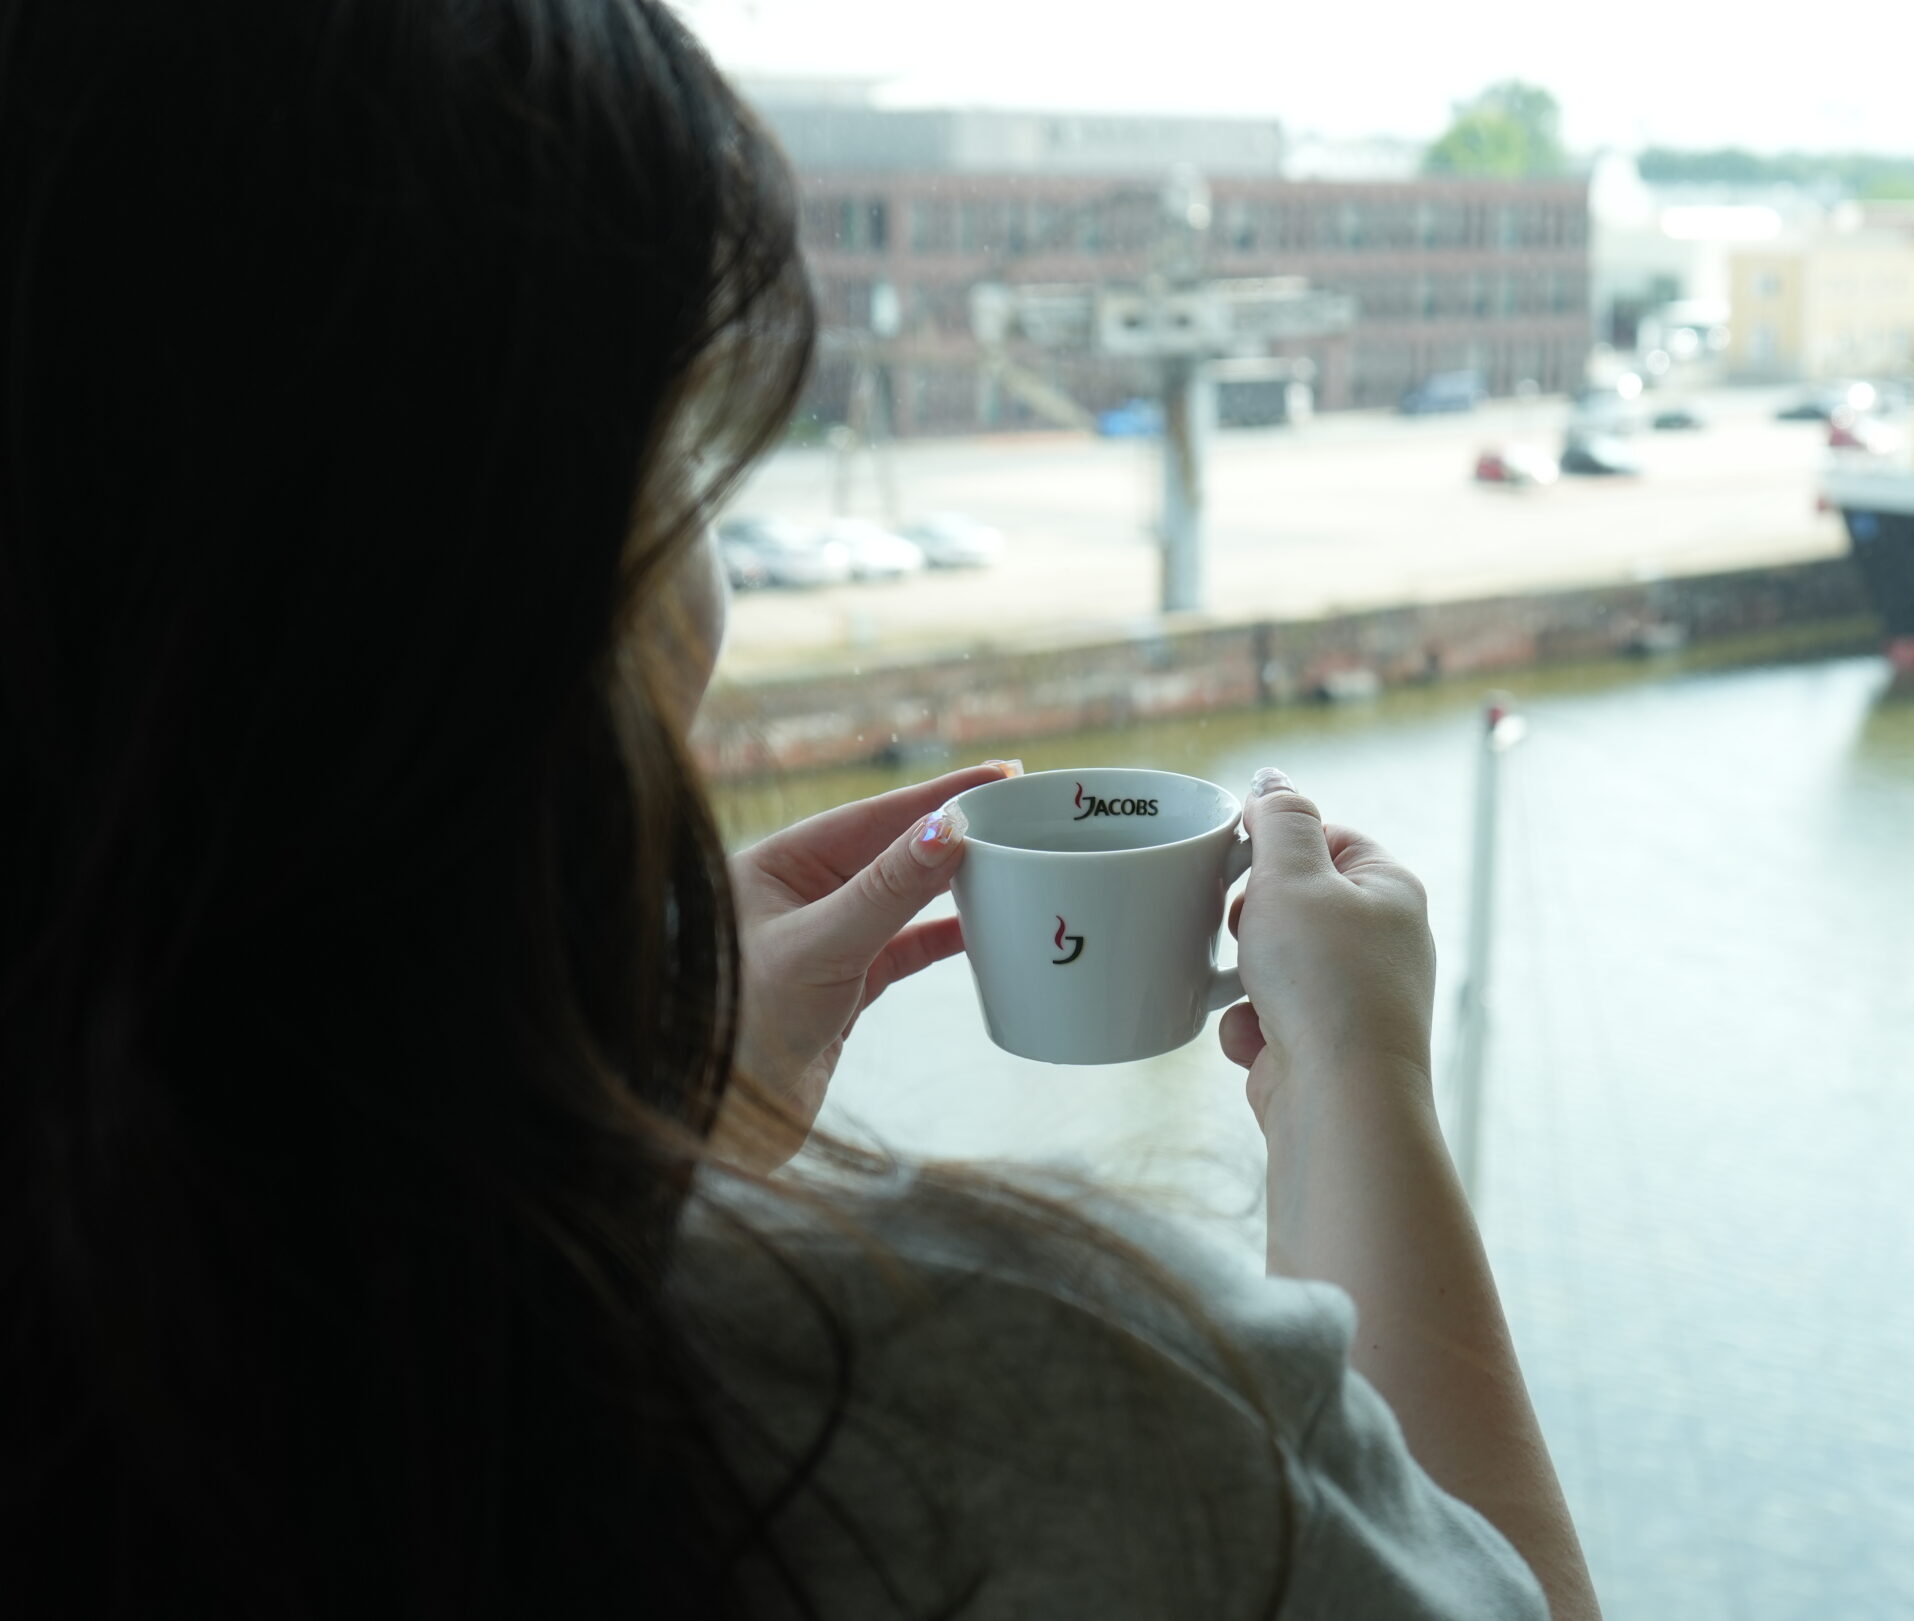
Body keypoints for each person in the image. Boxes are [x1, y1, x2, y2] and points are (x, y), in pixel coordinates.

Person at [0, 2, 1601, 1617]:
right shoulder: (1060, 1392)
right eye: (679, 462)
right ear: (516, 574)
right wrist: (1358, 1080)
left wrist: (684, 1141)